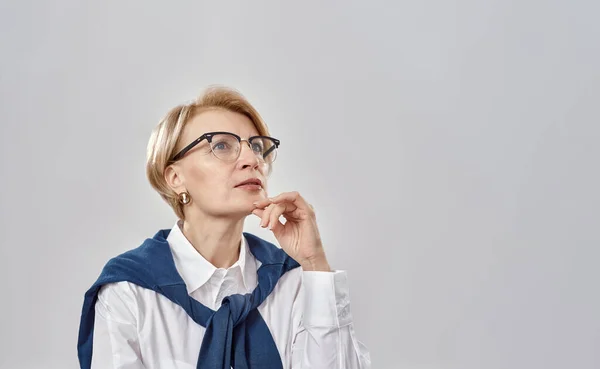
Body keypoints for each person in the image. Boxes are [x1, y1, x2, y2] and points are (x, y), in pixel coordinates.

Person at [77, 86, 371, 369]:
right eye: (220, 145)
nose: (251, 160)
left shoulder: (290, 281)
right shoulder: (128, 291)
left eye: (256, 147)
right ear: (175, 177)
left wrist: (314, 262)